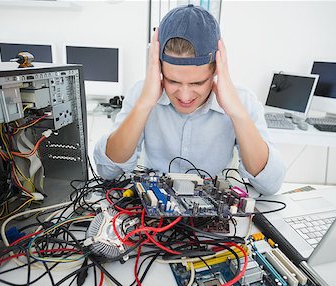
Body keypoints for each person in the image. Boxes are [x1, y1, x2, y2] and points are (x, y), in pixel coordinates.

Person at [94, 4, 285, 195]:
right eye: (173, 80)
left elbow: (269, 185)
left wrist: (237, 113)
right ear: (158, 68)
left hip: (214, 217)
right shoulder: (142, 93)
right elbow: (108, 171)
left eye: (198, 83)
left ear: (217, 68)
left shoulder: (242, 100)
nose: (185, 96)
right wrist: (144, 104)